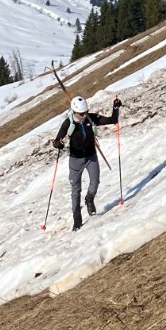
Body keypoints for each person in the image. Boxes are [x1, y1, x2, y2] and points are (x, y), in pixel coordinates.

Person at [54, 94, 121, 231]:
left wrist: (115, 107)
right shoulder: (68, 123)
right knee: (76, 190)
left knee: (95, 182)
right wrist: (59, 144)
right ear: (74, 112)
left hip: (91, 156)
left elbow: (113, 120)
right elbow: (56, 141)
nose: (84, 116)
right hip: (76, 160)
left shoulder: (91, 118)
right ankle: (77, 220)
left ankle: (89, 199)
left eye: (85, 112)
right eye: (81, 114)